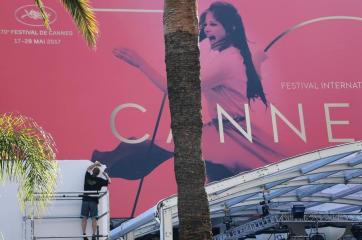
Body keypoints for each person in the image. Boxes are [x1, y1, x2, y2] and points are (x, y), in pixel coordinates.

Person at [104, 1, 283, 182]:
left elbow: (173, 90)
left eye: (213, 24)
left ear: (231, 28)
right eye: (205, 25)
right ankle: (105, 166)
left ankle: (103, 166)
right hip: (224, 132)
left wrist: (140, 63)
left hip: (231, 135)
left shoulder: (226, 61)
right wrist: (258, 60)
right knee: (218, 185)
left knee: (148, 149)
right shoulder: (233, 55)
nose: (207, 29)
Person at [81, 161, 111, 240]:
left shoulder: (87, 176)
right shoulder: (100, 180)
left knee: (84, 218)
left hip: (85, 200)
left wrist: (95, 164)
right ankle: (93, 235)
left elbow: (88, 169)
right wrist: (105, 174)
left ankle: (84, 234)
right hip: (94, 201)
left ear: (92, 171)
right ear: (98, 173)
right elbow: (109, 182)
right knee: (94, 218)